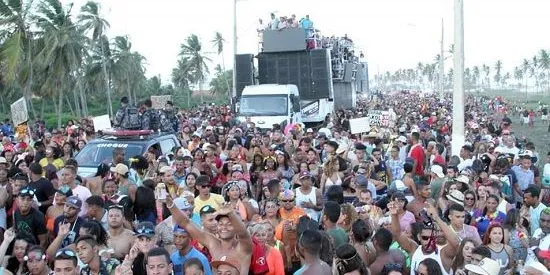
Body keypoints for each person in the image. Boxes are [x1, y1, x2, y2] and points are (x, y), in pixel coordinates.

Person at [166, 197, 253, 275]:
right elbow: (186, 223)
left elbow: (243, 234)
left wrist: (231, 214)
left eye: (229, 224)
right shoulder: (214, 244)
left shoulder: (243, 248)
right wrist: (171, 205)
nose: (224, 227)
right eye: (221, 224)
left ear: (236, 226)